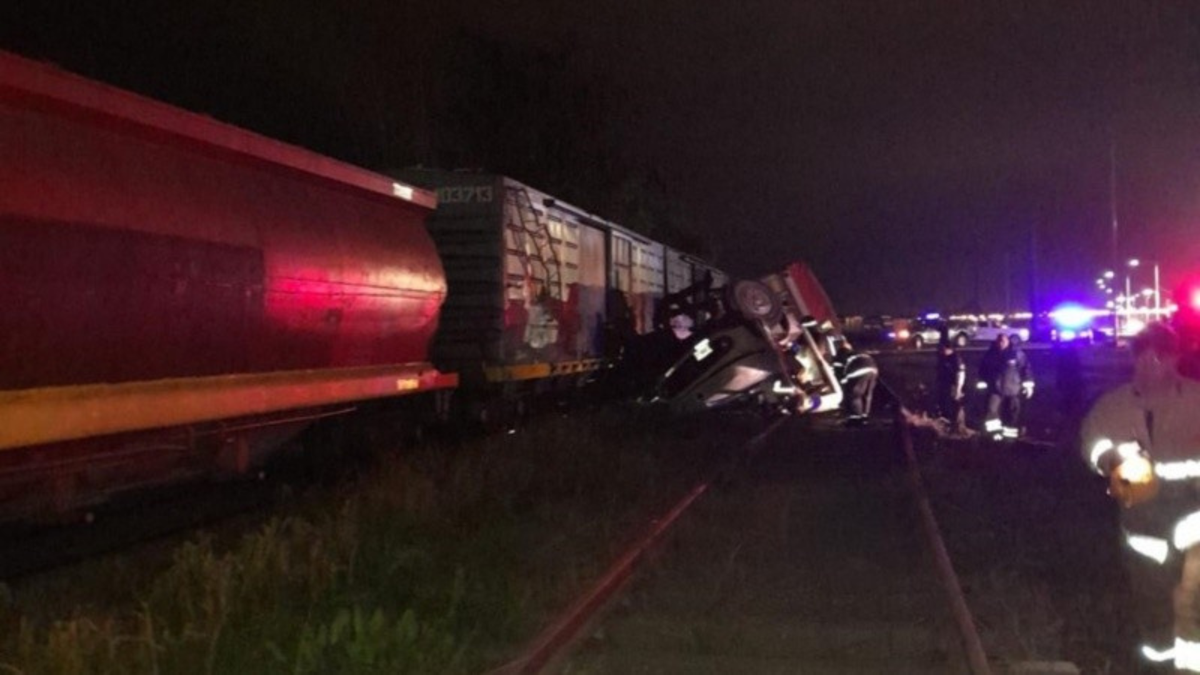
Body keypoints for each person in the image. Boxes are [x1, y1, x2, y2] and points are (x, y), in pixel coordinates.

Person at [1080, 323, 1200, 670]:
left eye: (1159, 360)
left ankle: (1191, 666)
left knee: (1193, 600)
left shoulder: (1195, 399)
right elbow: (1092, 441)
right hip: (1142, 527)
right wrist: (1109, 459)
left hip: (1194, 521)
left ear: (1174, 359)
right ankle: (1159, 661)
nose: (1150, 369)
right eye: (1143, 361)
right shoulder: (1113, 407)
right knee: (1153, 604)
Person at [978, 333, 1033, 440]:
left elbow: (1026, 369)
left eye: (1003, 341)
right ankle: (994, 433)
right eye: (999, 341)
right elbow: (983, 370)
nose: (1001, 343)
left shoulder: (1017, 354)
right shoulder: (991, 354)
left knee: (1012, 412)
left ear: (1008, 341)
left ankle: (1010, 436)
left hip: (1013, 389)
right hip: (995, 389)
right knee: (991, 411)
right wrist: (982, 383)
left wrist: (1028, 385)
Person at [835, 341, 878, 426]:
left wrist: (842, 382)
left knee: (854, 394)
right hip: (873, 369)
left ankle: (855, 418)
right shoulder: (857, 352)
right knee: (867, 394)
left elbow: (838, 370)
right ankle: (865, 417)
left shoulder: (841, 353)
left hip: (858, 369)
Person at [934, 333, 967, 434]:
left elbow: (960, 374)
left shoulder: (955, 358)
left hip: (954, 386)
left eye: (943, 348)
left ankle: (959, 428)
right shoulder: (943, 357)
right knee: (944, 406)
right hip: (945, 386)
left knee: (956, 407)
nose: (941, 350)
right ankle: (947, 427)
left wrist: (958, 390)